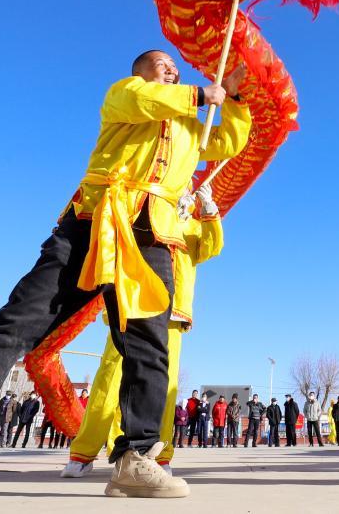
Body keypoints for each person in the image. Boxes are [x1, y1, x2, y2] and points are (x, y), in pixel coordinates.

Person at [0, 52, 250, 503]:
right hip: (93, 222)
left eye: (175, 66)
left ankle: (138, 458)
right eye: (160, 64)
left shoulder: (191, 125)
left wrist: (235, 96)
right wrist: (198, 93)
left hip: (155, 234)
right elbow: (147, 101)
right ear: (140, 72)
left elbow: (226, 142)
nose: (170, 68)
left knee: (149, 349)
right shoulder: (126, 95)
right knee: (19, 320)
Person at [63, 183, 224, 477]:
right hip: (133, 304)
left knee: (161, 387)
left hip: (172, 316)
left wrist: (210, 210)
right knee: (108, 380)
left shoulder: (193, 227)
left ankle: (157, 455)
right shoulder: (144, 207)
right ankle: (83, 452)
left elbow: (211, 248)